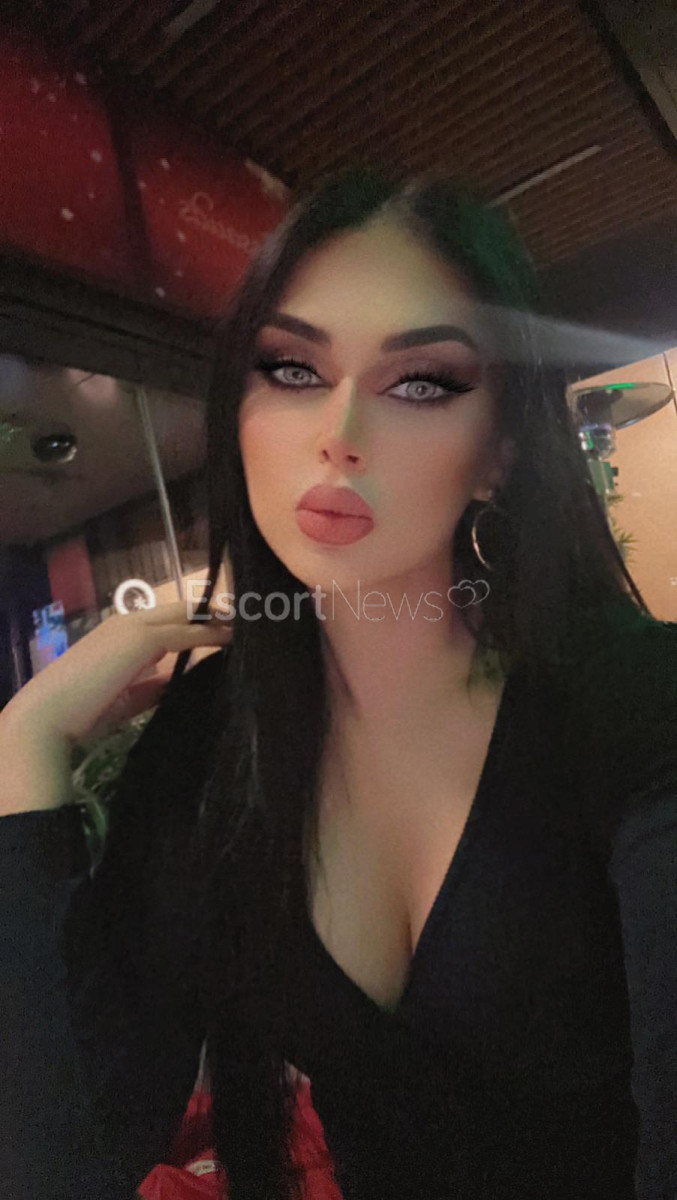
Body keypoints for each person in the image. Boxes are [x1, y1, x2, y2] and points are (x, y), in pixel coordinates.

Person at [1, 167, 675, 1200]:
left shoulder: (630, 700)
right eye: (291, 369)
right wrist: (26, 742)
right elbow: (66, 1152)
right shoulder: (210, 741)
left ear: (496, 452)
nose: (340, 430)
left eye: (420, 383)